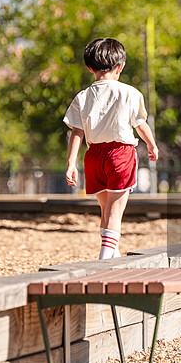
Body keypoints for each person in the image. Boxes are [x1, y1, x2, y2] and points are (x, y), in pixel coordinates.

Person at [63, 38, 159, 259]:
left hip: (94, 157)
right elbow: (140, 125)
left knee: (106, 210)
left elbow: (77, 132)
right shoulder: (130, 93)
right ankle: (105, 259)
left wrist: (71, 164)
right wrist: (152, 145)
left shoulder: (83, 96)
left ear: (90, 68)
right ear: (120, 67)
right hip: (120, 154)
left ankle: (112, 252)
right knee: (116, 211)